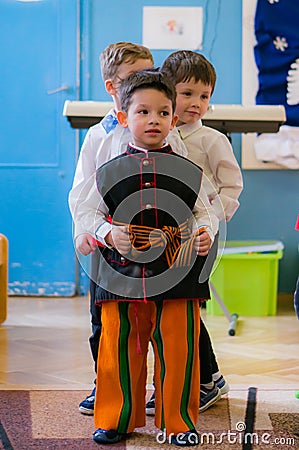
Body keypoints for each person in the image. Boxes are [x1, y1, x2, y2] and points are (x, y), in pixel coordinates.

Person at [69, 42, 225, 417]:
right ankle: (116, 413)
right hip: (118, 269)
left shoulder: (186, 163)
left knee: (177, 344)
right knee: (117, 341)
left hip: (176, 269)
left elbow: (206, 206)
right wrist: (104, 234)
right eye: (142, 110)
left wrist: (205, 230)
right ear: (125, 114)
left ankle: (178, 419)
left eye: (162, 112)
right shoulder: (105, 159)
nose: (153, 119)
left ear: (173, 119)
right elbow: (83, 204)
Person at [160, 49, 243, 410]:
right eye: (187, 93)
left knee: (187, 309)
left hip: (200, 238)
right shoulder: (159, 134)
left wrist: (211, 219)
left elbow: (232, 186)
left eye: (204, 96)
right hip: (166, 237)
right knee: (169, 310)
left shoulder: (210, 139)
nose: (196, 103)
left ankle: (207, 379)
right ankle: (185, 378)